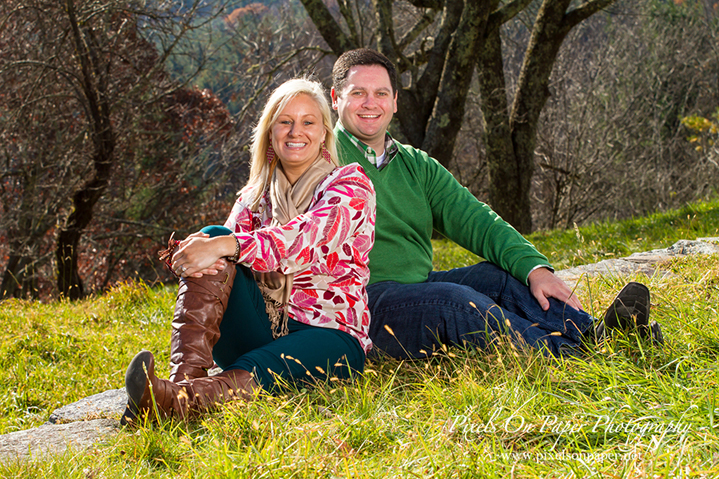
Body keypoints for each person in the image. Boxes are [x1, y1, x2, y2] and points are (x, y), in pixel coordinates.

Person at [329, 48, 662, 360]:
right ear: (335, 99)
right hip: (361, 306)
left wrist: (535, 269)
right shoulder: (321, 158)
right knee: (457, 303)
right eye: (358, 93)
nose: (371, 103)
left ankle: (601, 335)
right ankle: (578, 357)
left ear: (395, 101)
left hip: (415, 289)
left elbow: (475, 218)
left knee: (498, 278)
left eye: (381, 93)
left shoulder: (415, 164)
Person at [121, 78, 376, 423]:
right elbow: (219, 263)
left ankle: (173, 401)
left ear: (323, 133)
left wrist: (226, 244)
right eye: (284, 121)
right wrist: (203, 249)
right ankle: (182, 384)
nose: (295, 131)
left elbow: (303, 241)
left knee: (221, 242)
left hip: (330, 336)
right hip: (262, 325)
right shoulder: (254, 196)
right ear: (270, 133)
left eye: (307, 122)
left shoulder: (350, 185)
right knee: (215, 237)